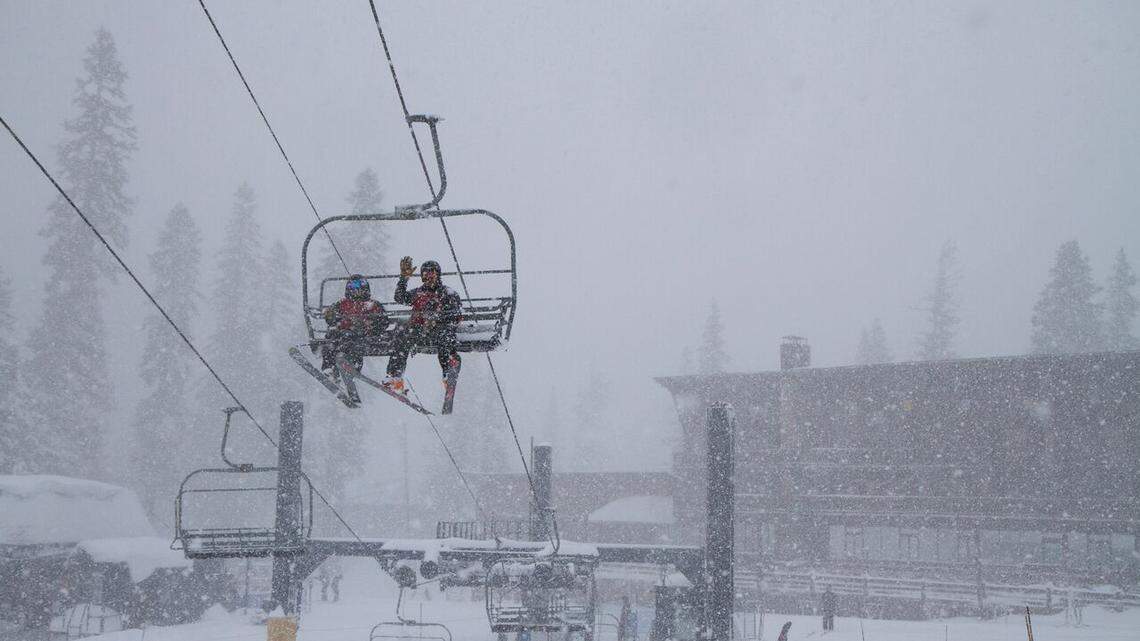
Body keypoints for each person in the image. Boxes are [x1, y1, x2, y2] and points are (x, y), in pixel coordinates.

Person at [383, 257, 462, 393]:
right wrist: (404, 278)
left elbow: (455, 316)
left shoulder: (448, 294)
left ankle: (449, 371)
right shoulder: (418, 293)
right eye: (425, 273)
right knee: (401, 333)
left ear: (437, 274)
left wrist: (437, 318)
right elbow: (400, 297)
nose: (428, 276)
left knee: (446, 338)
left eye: (431, 273)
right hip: (419, 330)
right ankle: (395, 377)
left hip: (439, 330)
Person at [321, 274, 388, 375]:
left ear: (366, 287)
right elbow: (331, 319)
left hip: (366, 335)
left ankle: (354, 366)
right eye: (353, 286)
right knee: (332, 339)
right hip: (344, 334)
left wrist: (372, 324)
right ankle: (330, 368)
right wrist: (330, 315)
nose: (357, 289)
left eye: (360, 285)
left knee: (353, 343)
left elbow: (384, 321)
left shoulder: (373, 305)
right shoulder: (341, 304)